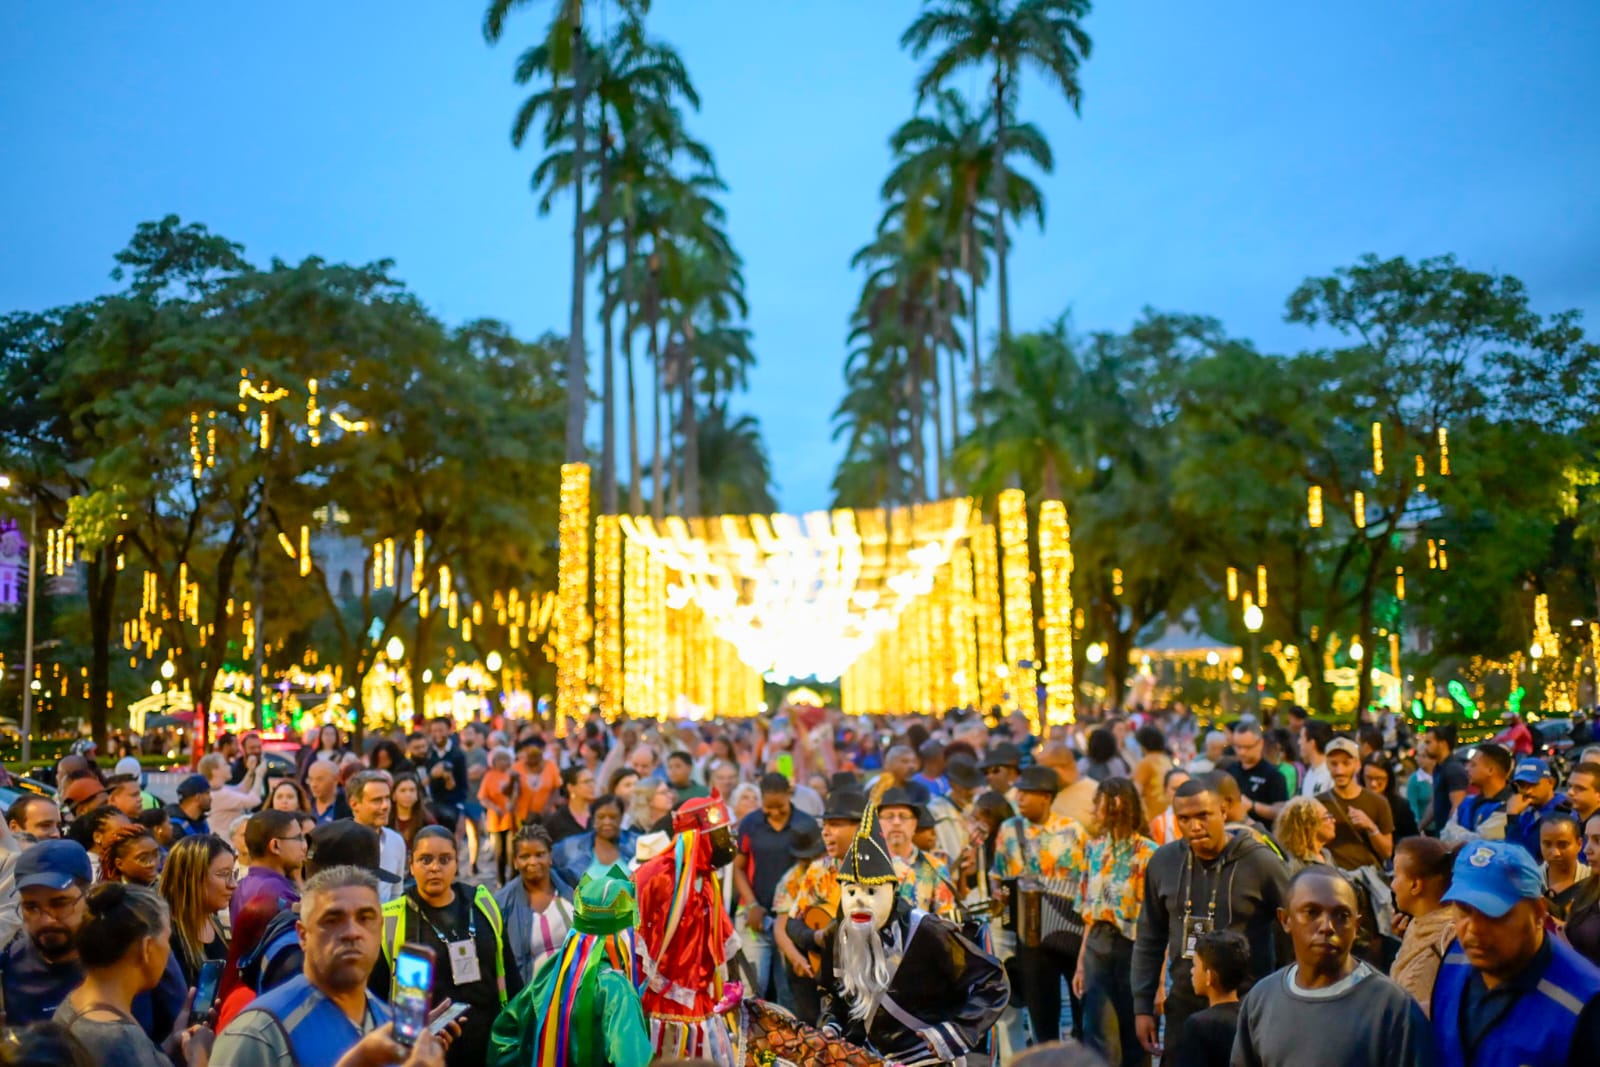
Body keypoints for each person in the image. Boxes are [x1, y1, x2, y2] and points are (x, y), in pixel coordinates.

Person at [815, 799, 1008, 1065]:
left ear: (892, 892)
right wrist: (831, 1024)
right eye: (850, 892)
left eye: (871, 892)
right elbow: (831, 991)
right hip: (866, 1058)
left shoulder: (926, 930)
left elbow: (993, 980)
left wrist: (952, 1032)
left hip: (927, 1058)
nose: (859, 901)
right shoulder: (837, 934)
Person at [213, 865, 447, 1067]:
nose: (352, 932)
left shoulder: (389, 1026)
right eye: (332, 920)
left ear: (380, 928)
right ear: (303, 935)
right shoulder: (259, 1034)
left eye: (365, 918)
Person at [1131, 778, 1289, 1060]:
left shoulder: (1260, 862)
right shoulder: (1164, 862)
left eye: (1203, 815)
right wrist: (1142, 1006)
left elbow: (1294, 926)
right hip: (1184, 1003)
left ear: (1224, 811)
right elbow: (1149, 937)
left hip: (1246, 1006)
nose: (1194, 826)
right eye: (1184, 819)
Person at [1232, 867, 1436, 1067]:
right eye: (1311, 912)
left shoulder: (1392, 1008)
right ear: (1285, 920)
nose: (1327, 927)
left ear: (1356, 926)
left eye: (1341, 915)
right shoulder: (1262, 999)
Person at [1431, 839, 1600, 1067]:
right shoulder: (1455, 958)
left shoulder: (1584, 1003)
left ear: (1538, 912)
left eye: (1493, 914)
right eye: (1464, 910)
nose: (1473, 929)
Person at [380, 825, 520, 1067]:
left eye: (445, 859)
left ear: (457, 863)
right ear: (411, 865)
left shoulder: (482, 903)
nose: (435, 867)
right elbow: (379, 996)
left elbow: (509, 972)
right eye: (425, 860)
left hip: (490, 1046)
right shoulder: (393, 919)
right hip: (428, 1052)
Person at [487, 867, 651, 1067]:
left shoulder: (551, 973)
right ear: (622, 935)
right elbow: (634, 1060)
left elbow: (504, 1034)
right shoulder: (616, 990)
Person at [54, 882, 211, 1067]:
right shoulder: (117, 1041)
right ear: (147, 948)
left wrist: (172, 1041)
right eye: (167, 939)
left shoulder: (73, 1007)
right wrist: (201, 1057)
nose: (168, 950)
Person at [632, 796, 740, 1063]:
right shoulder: (656, 875)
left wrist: (733, 985)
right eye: (721, 833)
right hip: (662, 1000)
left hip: (702, 1000)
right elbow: (633, 937)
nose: (729, 840)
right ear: (698, 835)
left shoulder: (708, 879)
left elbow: (723, 938)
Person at [991, 765, 1086, 1044]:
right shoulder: (1009, 830)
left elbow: (1086, 880)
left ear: (1045, 797)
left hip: (1069, 928)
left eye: (1026, 793)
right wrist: (1000, 895)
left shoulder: (1073, 830)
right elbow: (997, 875)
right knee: (1041, 1008)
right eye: (1018, 793)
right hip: (1029, 932)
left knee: (1082, 1003)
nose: (1018, 798)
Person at [1072, 778, 1156, 1067]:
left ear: (1119, 805)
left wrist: (1158, 982)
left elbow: (1157, 919)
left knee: (1136, 1035)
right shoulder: (1094, 849)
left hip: (1135, 947)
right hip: (1098, 943)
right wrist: (1081, 963)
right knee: (1098, 1033)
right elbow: (1089, 910)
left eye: (1101, 802)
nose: (1096, 810)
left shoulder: (1149, 853)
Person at [0, 839, 93, 1024]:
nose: (46, 920)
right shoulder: (9, 966)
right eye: (31, 907)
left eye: (60, 904)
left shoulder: (126, 960)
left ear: (89, 897)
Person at [494, 823, 574, 985]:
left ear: (550, 856)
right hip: (531, 994)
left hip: (577, 988)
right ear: (515, 861)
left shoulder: (571, 884)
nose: (533, 862)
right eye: (524, 856)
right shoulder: (502, 903)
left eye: (539, 854)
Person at [1389, 836, 1460, 1015]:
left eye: (1396, 876)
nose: (1392, 885)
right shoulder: (1416, 924)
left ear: (1415, 885)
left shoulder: (1450, 937)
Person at [157, 834, 235, 988]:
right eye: (223, 874)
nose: (233, 884)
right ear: (190, 878)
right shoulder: (166, 936)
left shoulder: (215, 922)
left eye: (233, 874)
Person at [1171, 929, 1248, 1067]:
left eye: (1195, 966)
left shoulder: (1198, 1025)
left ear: (1209, 976)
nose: (1192, 971)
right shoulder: (1249, 1017)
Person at [1316, 738, 1394, 870]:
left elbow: (1387, 852)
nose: (1340, 771)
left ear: (1357, 765)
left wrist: (1371, 827)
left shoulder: (1379, 802)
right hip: (1332, 877)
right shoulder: (1317, 804)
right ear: (1327, 765)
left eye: (1346, 763)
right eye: (1334, 764)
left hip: (1368, 879)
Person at [230, 810, 306, 927]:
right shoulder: (275, 889)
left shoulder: (240, 885)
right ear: (275, 845)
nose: (304, 846)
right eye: (298, 838)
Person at [551, 794, 636, 889]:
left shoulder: (635, 843)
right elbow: (548, 864)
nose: (607, 822)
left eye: (613, 817)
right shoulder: (571, 846)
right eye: (601, 817)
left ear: (621, 817)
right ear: (593, 818)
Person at [347, 770, 406, 901]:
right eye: (377, 800)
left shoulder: (396, 841)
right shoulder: (339, 843)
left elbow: (396, 894)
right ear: (354, 804)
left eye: (387, 798)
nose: (385, 806)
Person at [1449, 742, 1515, 840]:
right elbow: (1444, 833)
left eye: (1473, 765)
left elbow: (1483, 841)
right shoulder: (1467, 802)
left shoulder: (1511, 806)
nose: (1466, 769)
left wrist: (1454, 835)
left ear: (1490, 770)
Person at [1227, 723, 1288, 828]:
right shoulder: (1230, 770)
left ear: (1260, 743)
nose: (1242, 752)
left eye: (1247, 747)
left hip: (1261, 833)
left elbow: (1281, 811)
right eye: (1238, 747)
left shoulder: (1273, 775)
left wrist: (1252, 805)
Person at [1506, 758, 1570, 857]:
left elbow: (1525, 856)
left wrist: (1512, 817)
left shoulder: (1562, 811)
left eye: (1533, 785)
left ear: (1551, 782)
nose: (1527, 791)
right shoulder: (1528, 809)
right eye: (1522, 785)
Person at [479, 747, 520, 887]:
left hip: (511, 819)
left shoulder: (513, 774)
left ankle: (513, 878)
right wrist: (494, 807)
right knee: (499, 851)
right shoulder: (489, 776)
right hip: (496, 820)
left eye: (505, 759)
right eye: (500, 759)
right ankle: (500, 880)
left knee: (512, 850)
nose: (503, 762)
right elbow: (483, 797)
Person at [423, 716, 470, 834]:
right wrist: (433, 774)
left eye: (441, 730)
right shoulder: (427, 753)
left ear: (449, 731)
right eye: (434, 731)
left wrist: (460, 809)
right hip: (431, 806)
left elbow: (462, 786)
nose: (437, 734)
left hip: (452, 807)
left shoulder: (458, 755)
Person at [1538, 812, 1590, 918]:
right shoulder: (1529, 882)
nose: (1555, 853)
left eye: (1563, 845)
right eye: (1547, 844)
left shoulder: (1593, 880)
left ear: (1579, 844)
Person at [1037, 742, 1099, 829]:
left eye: (1044, 769)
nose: (1040, 775)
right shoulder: (1041, 796)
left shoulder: (1095, 791)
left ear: (1061, 768)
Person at [1422, 725, 1470, 836]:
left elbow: (1457, 808)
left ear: (1442, 744)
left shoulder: (1453, 769)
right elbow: (1435, 802)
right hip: (1441, 834)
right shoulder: (1439, 768)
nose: (1425, 747)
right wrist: (1420, 826)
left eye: (1429, 743)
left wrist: (1449, 835)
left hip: (1450, 836)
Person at [1361, 754, 1421, 842]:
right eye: (1369, 778)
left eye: (1379, 778)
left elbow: (1413, 839)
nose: (1373, 784)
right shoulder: (1356, 802)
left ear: (1388, 778)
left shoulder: (1401, 806)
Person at [1273, 796, 1337, 873]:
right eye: (1327, 817)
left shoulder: (1326, 855)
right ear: (1310, 825)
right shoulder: (1293, 864)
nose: (1334, 820)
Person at [512, 738, 562, 827]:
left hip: (547, 815)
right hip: (523, 816)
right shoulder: (517, 767)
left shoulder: (551, 766)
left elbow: (556, 789)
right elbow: (511, 791)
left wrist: (546, 809)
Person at [543, 765, 596, 845]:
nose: (592, 785)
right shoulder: (556, 821)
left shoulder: (598, 813)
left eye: (593, 781)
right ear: (571, 787)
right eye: (586, 782)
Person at [390, 770, 438, 851]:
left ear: (417, 795)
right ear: (394, 795)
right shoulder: (386, 821)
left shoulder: (427, 821)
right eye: (403, 790)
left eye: (412, 790)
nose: (408, 794)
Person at [165, 776, 212, 842]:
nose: (210, 798)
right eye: (207, 793)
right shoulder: (173, 827)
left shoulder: (201, 822)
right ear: (198, 797)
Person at [306, 761, 353, 826]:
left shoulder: (349, 806)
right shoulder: (305, 805)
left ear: (336, 779)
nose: (313, 784)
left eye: (319, 779)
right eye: (310, 779)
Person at [1298, 720, 1335, 798]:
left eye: (1301, 738)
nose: (1299, 742)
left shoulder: (1332, 774)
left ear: (1312, 743)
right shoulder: (1310, 772)